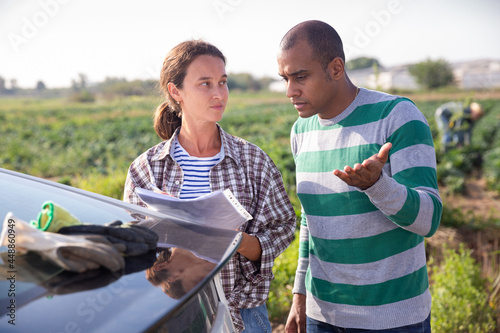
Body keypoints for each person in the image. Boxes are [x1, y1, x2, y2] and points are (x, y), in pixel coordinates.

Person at [277, 20, 442, 332]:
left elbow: (428, 220)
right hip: (322, 317)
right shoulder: (301, 131)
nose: (290, 90)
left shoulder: (397, 116)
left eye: (300, 77)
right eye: (285, 78)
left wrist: (377, 186)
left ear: (336, 68)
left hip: (392, 319)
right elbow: (311, 221)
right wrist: (300, 294)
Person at [123, 40, 296, 333]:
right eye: (205, 83)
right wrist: (161, 233)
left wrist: (237, 242)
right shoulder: (147, 167)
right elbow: (133, 253)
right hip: (173, 316)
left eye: (222, 82)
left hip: (243, 318)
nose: (219, 94)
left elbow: (283, 228)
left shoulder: (252, 160)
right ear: (176, 91)